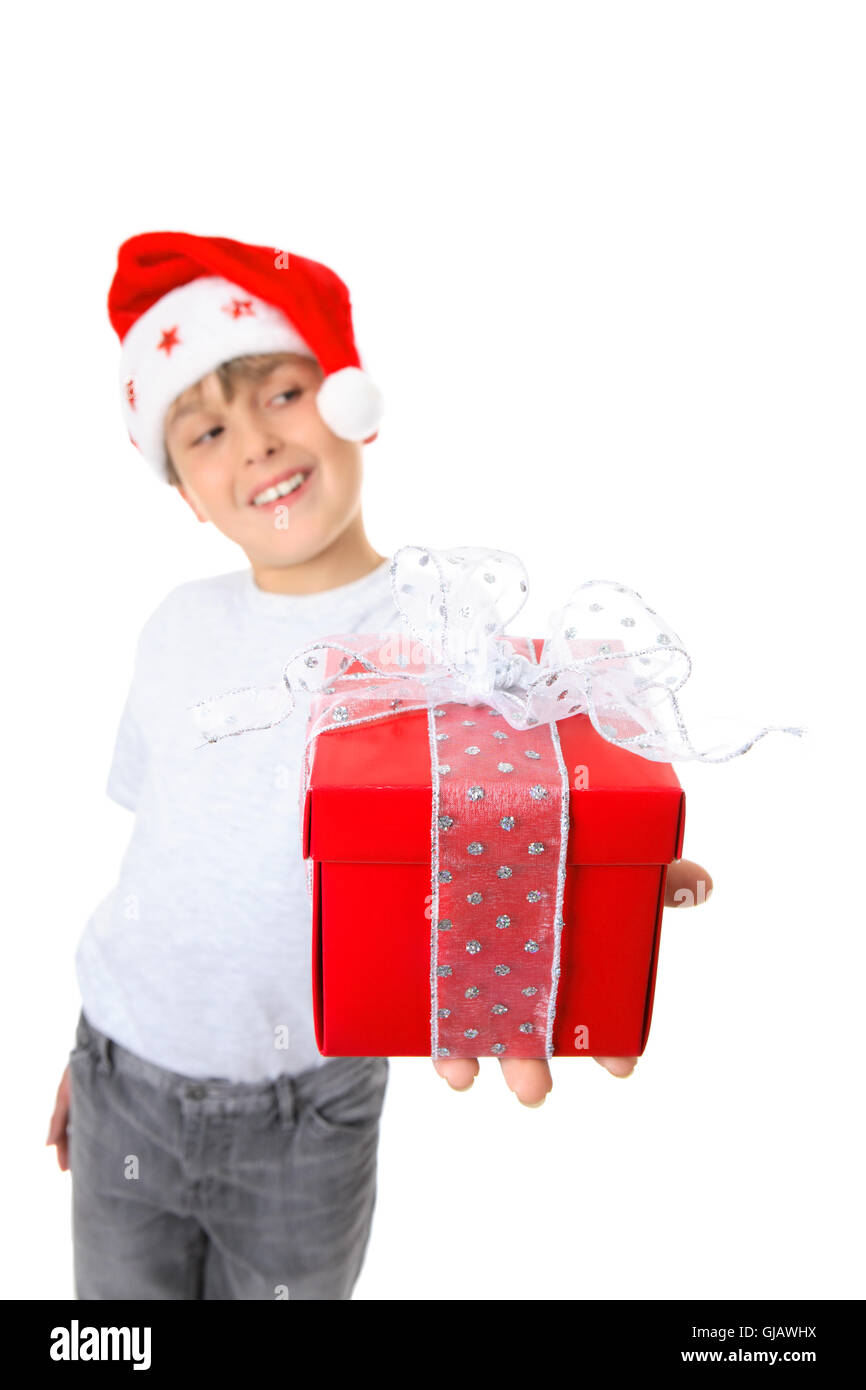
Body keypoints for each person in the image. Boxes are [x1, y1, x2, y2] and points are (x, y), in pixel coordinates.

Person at [45, 231, 713, 1299]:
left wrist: (586, 871)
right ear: (185, 491)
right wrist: (85, 1059)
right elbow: (158, 868)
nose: (256, 443)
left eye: (282, 393)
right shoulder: (172, 626)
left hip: (306, 1114)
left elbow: (524, 776)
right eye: (207, 429)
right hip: (120, 1070)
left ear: (353, 402)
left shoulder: (444, 628)